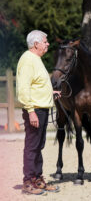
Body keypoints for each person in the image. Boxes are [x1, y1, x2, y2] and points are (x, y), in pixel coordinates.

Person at [16, 30, 61, 195]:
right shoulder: (28, 60)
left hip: (41, 108)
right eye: (45, 41)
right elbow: (23, 88)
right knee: (32, 146)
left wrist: (51, 93)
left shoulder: (36, 59)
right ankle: (28, 182)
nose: (47, 44)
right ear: (36, 44)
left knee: (38, 146)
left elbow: (37, 84)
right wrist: (31, 111)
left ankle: (37, 179)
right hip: (34, 110)